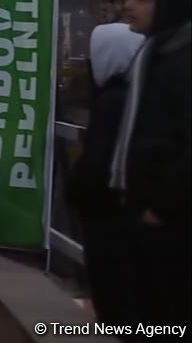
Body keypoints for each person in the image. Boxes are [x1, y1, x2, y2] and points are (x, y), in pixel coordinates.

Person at [109, 0, 191, 328]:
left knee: (166, 317)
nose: (128, 6)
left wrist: (161, 205)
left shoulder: (182, 61)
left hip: (170, 219)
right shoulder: (155, 52)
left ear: (169, 4)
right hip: (144, 209)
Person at [68, 20, 144, 325]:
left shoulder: (112, 102)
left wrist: (76, 189)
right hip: (126, 213)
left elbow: (97, 165)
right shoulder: (141, 95)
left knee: (115, 297)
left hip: (107, 214)